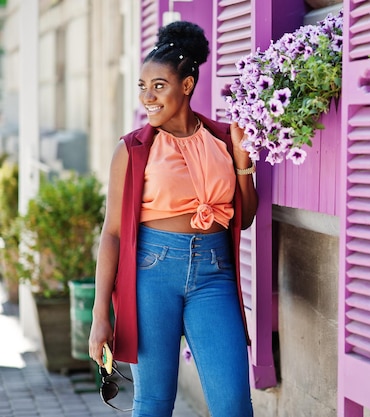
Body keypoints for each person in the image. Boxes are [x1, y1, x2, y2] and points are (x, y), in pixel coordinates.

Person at [88, 20, 257, 417]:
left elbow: (243, 219)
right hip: (152, 274)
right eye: (143, 87)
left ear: (187, 85)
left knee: (234, 403)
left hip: (214, 274)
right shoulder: (132, 149)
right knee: (154, 402)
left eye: (159, 86)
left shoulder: (222, 139)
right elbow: (111, 234)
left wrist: (244, 165)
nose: (148, 97)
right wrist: (100, 317)